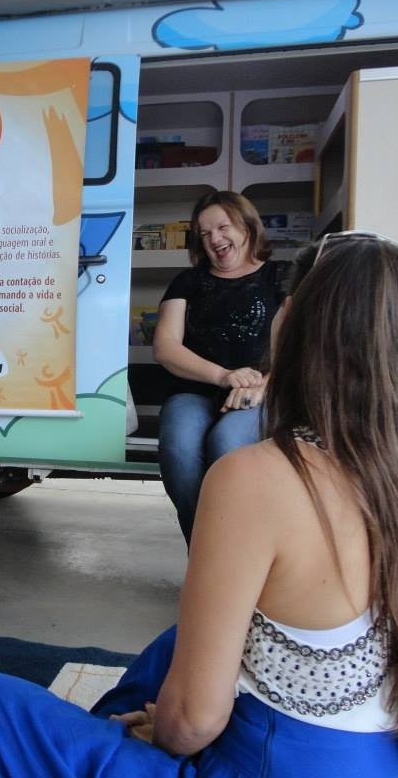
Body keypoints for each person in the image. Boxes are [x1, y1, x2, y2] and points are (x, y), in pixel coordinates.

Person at [0, 234, 398, 777]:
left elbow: (194, 721)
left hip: (265, 763)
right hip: (396, 764)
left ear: (290, 321)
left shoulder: (257, 476)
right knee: (175, 646)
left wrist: (162, 734)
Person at [153, 190, 289, 544]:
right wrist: (223, 376)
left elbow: (302, 344)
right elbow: (165, 348)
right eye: (204, 233)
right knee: (179, 448)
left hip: (259, 393)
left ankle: (241, 556)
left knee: (228, 443)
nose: (214, 238)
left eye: (222, 227)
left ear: (246, 227)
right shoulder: (187, 281)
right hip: (194, 391)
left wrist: (264, 384)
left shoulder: (281, 276)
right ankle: (206, 554)